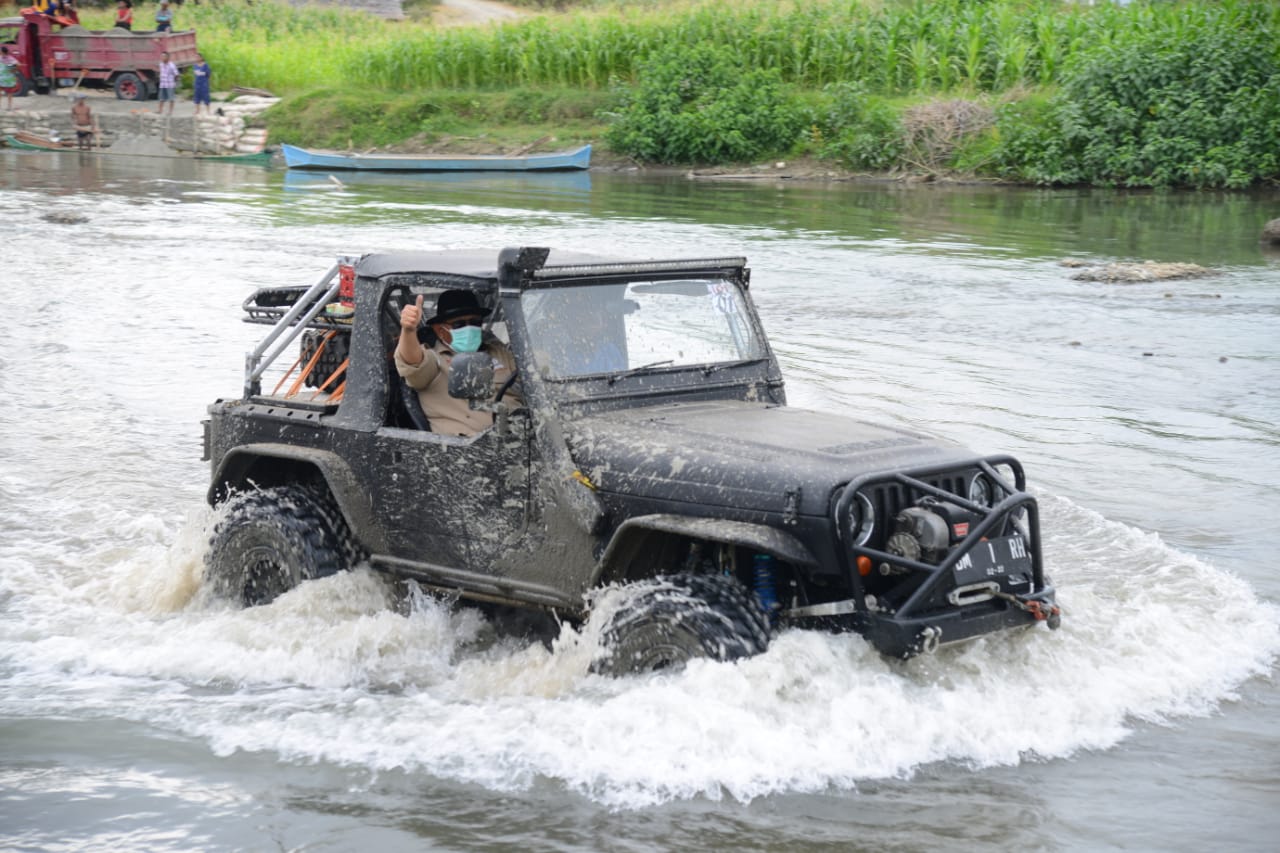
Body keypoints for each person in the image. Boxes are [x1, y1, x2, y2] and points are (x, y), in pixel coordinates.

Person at [394, 289, 521, 437]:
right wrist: (408, 331)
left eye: (475, 322)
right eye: (459, 324)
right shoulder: (435, 360)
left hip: (527, 438)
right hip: (471, 450)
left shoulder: (500, 352)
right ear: (440, 330)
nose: (469, 328)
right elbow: (413, 363)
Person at [156, 50, 177, 115]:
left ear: (168, 57)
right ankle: (160, 110)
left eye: (164, 56)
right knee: (161, 98)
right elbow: (160, 72)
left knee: (171, 98)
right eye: (161, 56)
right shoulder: (161, 64)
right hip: (163, 84)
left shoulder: (171, 65)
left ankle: (170, 112)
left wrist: (173, 82)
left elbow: (176, 74)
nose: (162, 58)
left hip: (170, 84)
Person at [0, 47, 17, 112]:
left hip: (8, 79)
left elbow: (16, 65)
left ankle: (9, 106)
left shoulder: (10, 59)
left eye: (0, 51)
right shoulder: (0, 58)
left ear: (3, 52)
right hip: (1, 78)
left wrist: (13, 70)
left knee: (9, 93)